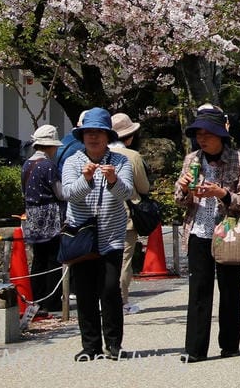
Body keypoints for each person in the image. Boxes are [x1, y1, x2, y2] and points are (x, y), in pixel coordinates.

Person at [174, 108, 240, 363]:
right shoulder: (192, 160)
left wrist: (222, 194)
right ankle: (194, 349)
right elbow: (178, 200)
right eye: (198, 134)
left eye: (208, 134)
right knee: (199, 289)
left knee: (230, 289)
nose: (202, 139)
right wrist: (184, 189)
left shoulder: (238, 160)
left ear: (221, 135)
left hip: (228, 232)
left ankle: (230, 344)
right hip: (198, 231)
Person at [61, 107, 134, 362]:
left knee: (110, 289)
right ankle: (90, 346)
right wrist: (87, 180)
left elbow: (126, 194)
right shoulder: (73, 162)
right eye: (88, 133)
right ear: (82, 136)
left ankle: (114, 344)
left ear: (107, 136)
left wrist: (113, 181)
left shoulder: (120, 161)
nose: (93, 137)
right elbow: (69, 194)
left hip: (112, 236)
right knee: (85, 293)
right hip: (81, 237)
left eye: (99, 133)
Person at [108, 113, 150, 315]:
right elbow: (143, 187)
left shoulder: (96, 154)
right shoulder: (132, 156)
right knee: (124, 260)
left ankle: (103, 300)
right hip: (125, 214)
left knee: (104, 259)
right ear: (130, 136)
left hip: (101, 216)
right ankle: (121, 301)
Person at [22, 124, 65, 316]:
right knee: (53, 258)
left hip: (32, 213)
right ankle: (52, 301)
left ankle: (36, 299)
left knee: (38, 259)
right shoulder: (48, 166)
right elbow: (60, 193)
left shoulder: (27, 164)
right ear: (50, 147)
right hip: (50, 214)